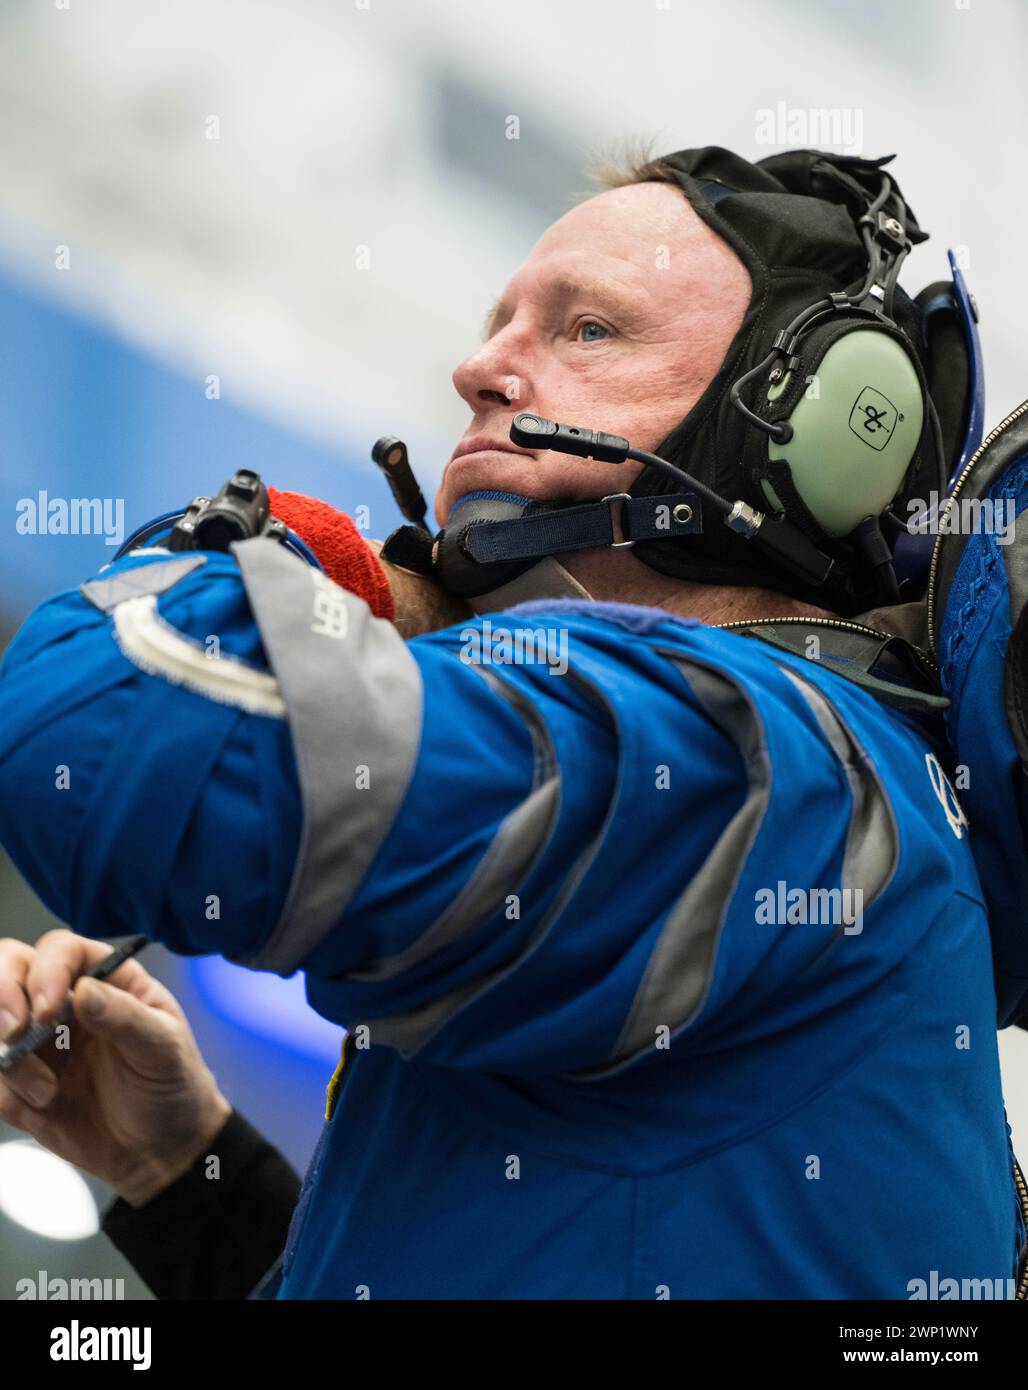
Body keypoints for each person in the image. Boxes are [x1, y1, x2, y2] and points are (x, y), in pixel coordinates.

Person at [0, 144, 1025, 1300]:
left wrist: (277, 554)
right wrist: (189, 1178)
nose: (478, 367)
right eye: (501, 324)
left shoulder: (742, 755)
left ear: (832, 437)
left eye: (588, 329)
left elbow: (93, 724)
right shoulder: (828, 807)